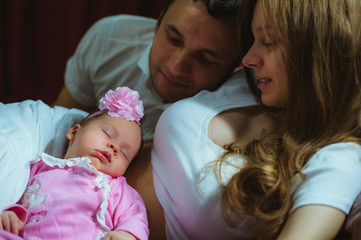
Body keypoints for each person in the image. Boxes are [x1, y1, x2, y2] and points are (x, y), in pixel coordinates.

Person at [125, 0, 361, 239]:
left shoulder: (339, 158)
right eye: (253, 39)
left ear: (317, 51)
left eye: (267, 42)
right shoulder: (251, 84)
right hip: (94, 185)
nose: (247, 59)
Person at [53, 0, 243, 142]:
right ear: (158, 22)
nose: (176, 68)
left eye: (205, 59)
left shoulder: (239, 117)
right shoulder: (108, 40)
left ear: (236, 67)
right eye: (174, 39)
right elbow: (57, 128)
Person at [0, 87, 149, 240]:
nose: (114, 147)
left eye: (124, 154)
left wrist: (126, 235)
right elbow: (20, 198)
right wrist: (11, 214)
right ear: (74, 132)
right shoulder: (40, 167)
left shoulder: (117, 190)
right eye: (107, 134)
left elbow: (135, 218)